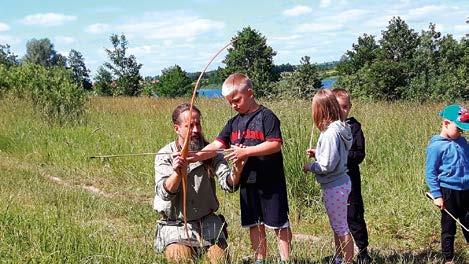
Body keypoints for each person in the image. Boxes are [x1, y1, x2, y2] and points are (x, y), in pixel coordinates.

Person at [191, 73, 292, 263]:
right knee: (254, 223)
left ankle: (285, 259)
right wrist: (194, 156)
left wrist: (247, 152)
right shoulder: (233, 123)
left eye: (236, 100)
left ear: (250, 93)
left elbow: (275, 144)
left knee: (279, 223)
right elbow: (217, 145)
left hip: (271, 181)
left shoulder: (266, 116)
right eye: (229, 102)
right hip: (248, 182)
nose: (233, 105)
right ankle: (260, 259)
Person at [153, 103, 244, 264]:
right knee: (181, 260)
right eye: (189, 126)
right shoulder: (165, 154)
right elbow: (164, 193)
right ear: (177, 128)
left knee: (221, 261)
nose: (195, 130)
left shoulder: (210, 152)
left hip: (207, 222)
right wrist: (177, 172)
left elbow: (229, 184)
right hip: (176, 225)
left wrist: (237, 168)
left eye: (198, 124)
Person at [303, 89, 354, 264]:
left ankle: (347, 260)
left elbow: (327, 165)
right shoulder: (339, 128)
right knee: (337, 225)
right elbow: (335, 155)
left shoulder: (331, 133)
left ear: (321, 110)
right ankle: (339, 257)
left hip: (335, 186)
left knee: (341, 228)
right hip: (339, 183)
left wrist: (311, 166)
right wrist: (318, 152)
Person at [425, 104, 469, 264]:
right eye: (458, 128)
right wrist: (437, 195)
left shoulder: (463, 142)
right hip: (449, 192)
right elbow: (431, 173)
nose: (461, 132)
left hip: (467, 190)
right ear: (445, 123)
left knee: (468, 222)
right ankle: (448, 258)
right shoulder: (436, 146)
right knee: (449, 226)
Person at [332, 88, 372, 263]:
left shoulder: (354, 127)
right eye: (339, 106)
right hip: (333, 181)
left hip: (350, 180)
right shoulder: (329, 128)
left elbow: (359, 155)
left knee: (354, 215)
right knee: (337, 218)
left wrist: (339, 155)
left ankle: (363, 252)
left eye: (346, 106)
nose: (343, 110)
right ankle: (340, 253)